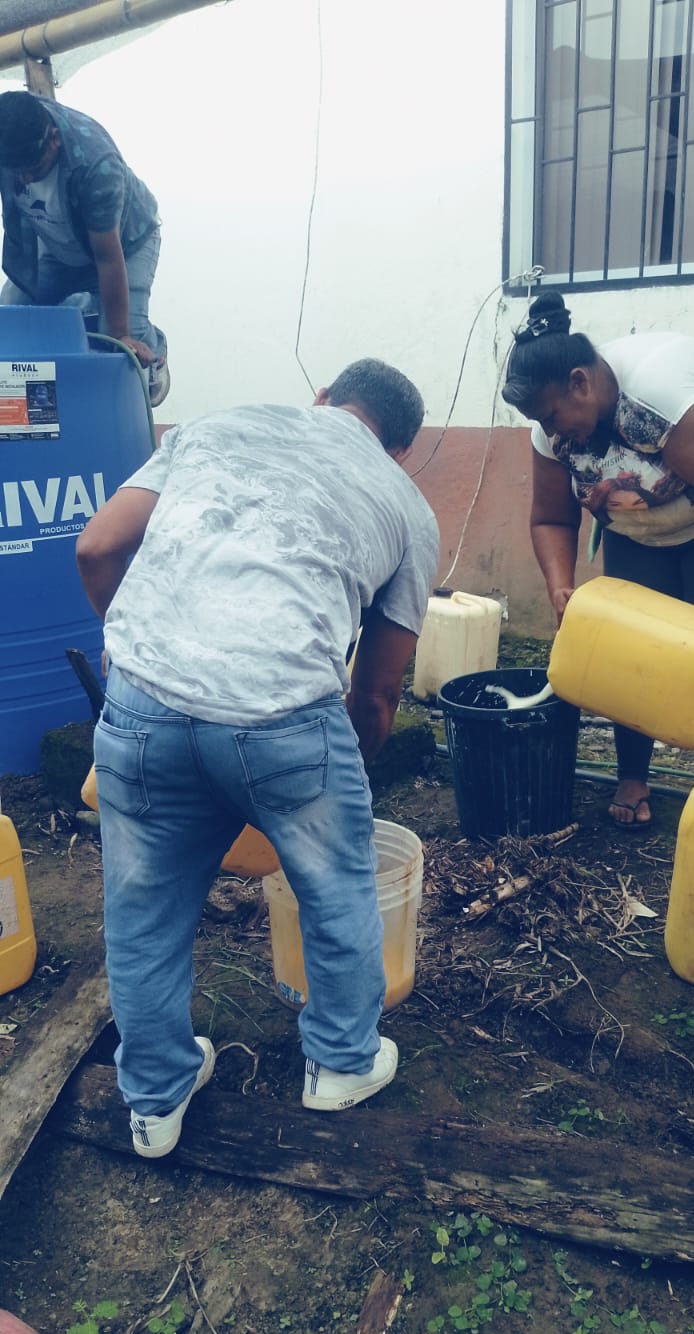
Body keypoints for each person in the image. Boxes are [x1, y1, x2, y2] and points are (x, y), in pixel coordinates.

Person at [76, 358, 439, 1158]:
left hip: (140, 708)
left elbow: (97, 548)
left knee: (142, 911)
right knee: (338, 887)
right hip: (284, 715)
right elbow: (378, 692)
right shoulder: (408, 507)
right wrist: (339, 780)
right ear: (400, 450)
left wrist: (134, 648)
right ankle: (341, 1063)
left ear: (322, 398)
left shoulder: (215, 425)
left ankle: (154, 1100)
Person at [502, 290, 694, 829]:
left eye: (552, 417)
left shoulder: (656, 393)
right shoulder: (550, 433)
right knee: (631, 655)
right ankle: (632, 775)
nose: (551, 432)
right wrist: (560, 585)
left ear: (580, 382)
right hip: (635, 537)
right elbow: (551, 518)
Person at [0, 90, 169, 406]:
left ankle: (154, 346)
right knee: (10, 313)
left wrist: (120, 333)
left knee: (120, 344)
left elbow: (107, 258)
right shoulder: (8, 136)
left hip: (125, 245)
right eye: (15, 171)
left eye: (33, 169)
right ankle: (83, 306)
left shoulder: (96, 165)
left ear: (54, 139)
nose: (25, 178)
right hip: (60, 243)